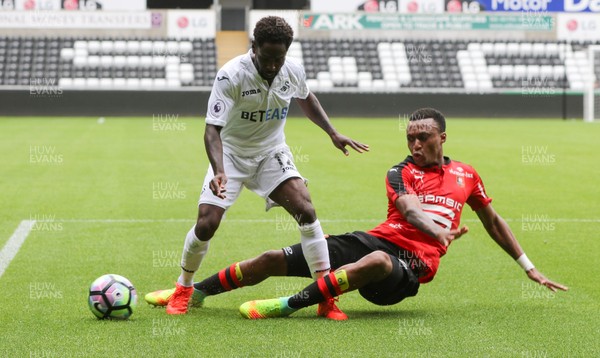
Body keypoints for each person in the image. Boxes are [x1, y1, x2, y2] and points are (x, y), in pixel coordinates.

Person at [146, 107, 567, 320]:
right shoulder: (398, 171)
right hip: (376, 240)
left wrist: (528, 266)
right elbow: (408, 208)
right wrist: (438, 229)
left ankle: (289, 305)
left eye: (422, 138)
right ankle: (194, 291)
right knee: (276, 258)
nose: (415, 145)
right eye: (410, 138)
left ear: (442, 137)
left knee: (380, 262)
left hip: (409, 268)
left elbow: (492, 221)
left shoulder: (466, 175)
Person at [163, 16, 369, 316]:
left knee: (307, 211)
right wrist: (219, 170)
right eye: (267, 57)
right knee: (207, 223)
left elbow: (306, 97)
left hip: (271, 153)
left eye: (279, 58)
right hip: (231, 156)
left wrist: (333, 132)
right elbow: (212, 130)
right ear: (253, 47)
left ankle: (325, 297)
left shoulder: (292, 69)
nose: (273, 65)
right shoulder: (230, 75)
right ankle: (183, 287)